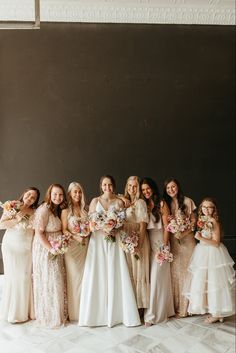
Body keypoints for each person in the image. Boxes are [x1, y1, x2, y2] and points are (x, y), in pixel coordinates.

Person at [78, 175, 140, 327]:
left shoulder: (119, 201)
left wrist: (113, 227)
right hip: (98, 241)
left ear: (114, 186)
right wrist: (102, 227)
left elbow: (123, 222)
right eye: (105, 185)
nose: (107, 187)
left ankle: (118, 314)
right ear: (101, 186)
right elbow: (91, 224)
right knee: (97, 273)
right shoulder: (94, 201)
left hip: (114, 240)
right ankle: (96, 316)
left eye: (110, 184)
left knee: (115, 271)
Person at [184, 197, 235, 323]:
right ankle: (215, 311)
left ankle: (217, 313)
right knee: (205, 283)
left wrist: (200, 238)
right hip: (203, 252)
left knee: (214, 283)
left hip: (213, 253)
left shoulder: (214, 221)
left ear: (214, 209)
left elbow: (216, 243)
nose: (206, 209)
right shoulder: (203, 220)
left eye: (209, 207)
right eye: (204, 207)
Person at [0, 187, 40, 323]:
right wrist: (17, 219)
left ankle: (27, 311)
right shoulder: (12, 205)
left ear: (35, 200)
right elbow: (1, 224)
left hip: (26, 248)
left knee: (24, 277)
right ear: (24, 194)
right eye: (28, 195)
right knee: (12, 277)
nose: (30, 198)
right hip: (10, 245)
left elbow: (35, 232)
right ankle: (13, 313)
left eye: (33, 197)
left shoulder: (35, 212)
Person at [32, 183, 68, 328]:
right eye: (55, 194)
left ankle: (58, 312)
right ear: (50, 194)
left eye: (60, 195)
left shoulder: (57, 209)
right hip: (45, 248)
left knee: (56, 279)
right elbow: (39, 233)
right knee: (49, 280)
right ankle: (49, 314)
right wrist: (50, 249)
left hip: (56, 247)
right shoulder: (44, 209)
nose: (58, 197)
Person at [140, 177, 175, 325]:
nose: (146, 191)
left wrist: (164, 248)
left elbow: (168, 227)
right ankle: (166, 310)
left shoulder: (161, 204)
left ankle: (152, 316)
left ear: (153, 188)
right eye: (143, 190)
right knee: (154, 280)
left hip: (161, 243)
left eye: (147, 188)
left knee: (157, 279)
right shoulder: (144, 205)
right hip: (150, 245)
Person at [163, 178, 196, 318]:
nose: (171, 190)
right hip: (174, 242)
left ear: (178, 187)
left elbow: (194, 223)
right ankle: (178, 306)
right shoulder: (166, 204)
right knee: (175, 273)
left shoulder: (188, 201)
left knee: (187, 272)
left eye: (173, 187)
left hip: (187, 241)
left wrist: (182, 232)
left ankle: (188, 308)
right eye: (168, 188)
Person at [61, 182, 89, 322]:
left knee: (85, 278)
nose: (78, 194)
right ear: (70, 194)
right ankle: (75, 313)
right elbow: (64, 230)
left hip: (86, 247)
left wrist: (86, 234)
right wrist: (76, 237)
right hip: (72, 248)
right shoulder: (66, 211)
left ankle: (86, 310)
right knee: (74, 279)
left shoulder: (86, 209)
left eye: (79, 192)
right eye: (75, 192)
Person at [123, 176, 150, 310]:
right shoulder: (127, 203)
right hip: (127, 241)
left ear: (138, 188)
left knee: (139, 271)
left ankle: (141, 307)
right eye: (129, 186)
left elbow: (143, 226)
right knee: (130, 272)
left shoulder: (140, 202)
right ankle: (132, 306)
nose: (132, 189)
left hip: (138, 240)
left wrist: (139, 244)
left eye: (134, 186)